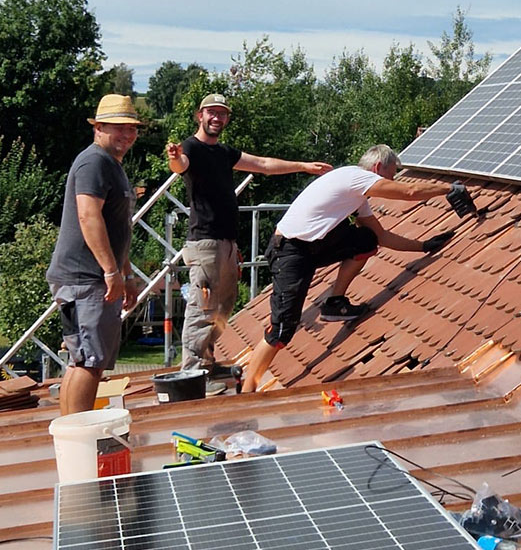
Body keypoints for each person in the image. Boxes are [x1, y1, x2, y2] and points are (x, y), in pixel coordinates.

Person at [241, 144, 462, 393]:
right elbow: (409, 191)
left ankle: (334, 303)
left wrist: (422, 246)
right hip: (290, 252)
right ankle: (247, 394)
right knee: (282, 329)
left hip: (312, 247)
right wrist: (447, 188)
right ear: (378, 168)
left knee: (365, 239)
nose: (393, 179)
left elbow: (380, 237)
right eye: (392, 173)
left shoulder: (357, 195)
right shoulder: (357, 177)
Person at [166, 93, 332, 376]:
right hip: (205, 243)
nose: (217, 118)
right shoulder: (191, 149)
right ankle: (192, 372)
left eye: (222, 114)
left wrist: (303, 166)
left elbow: (264, 165)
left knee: (223, 306)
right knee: (203, 307)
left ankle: (206, 363)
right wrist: (175, 157)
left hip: (226, 243)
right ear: (200, 116)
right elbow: (180, 166)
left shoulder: (225, 153)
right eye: (211, 113)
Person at [46, 94, 140, 415]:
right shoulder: (94, 162)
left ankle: (74, 435)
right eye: (119, 129)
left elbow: (117, 229)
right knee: (90, 361)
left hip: (92, 276)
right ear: (98, 128)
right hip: (85, 278)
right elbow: (88, 216)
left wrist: (125, 274)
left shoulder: (112, 165)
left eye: (132, 129)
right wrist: (110, 272)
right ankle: (78, 438)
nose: (127, 135)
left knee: (84, 361)